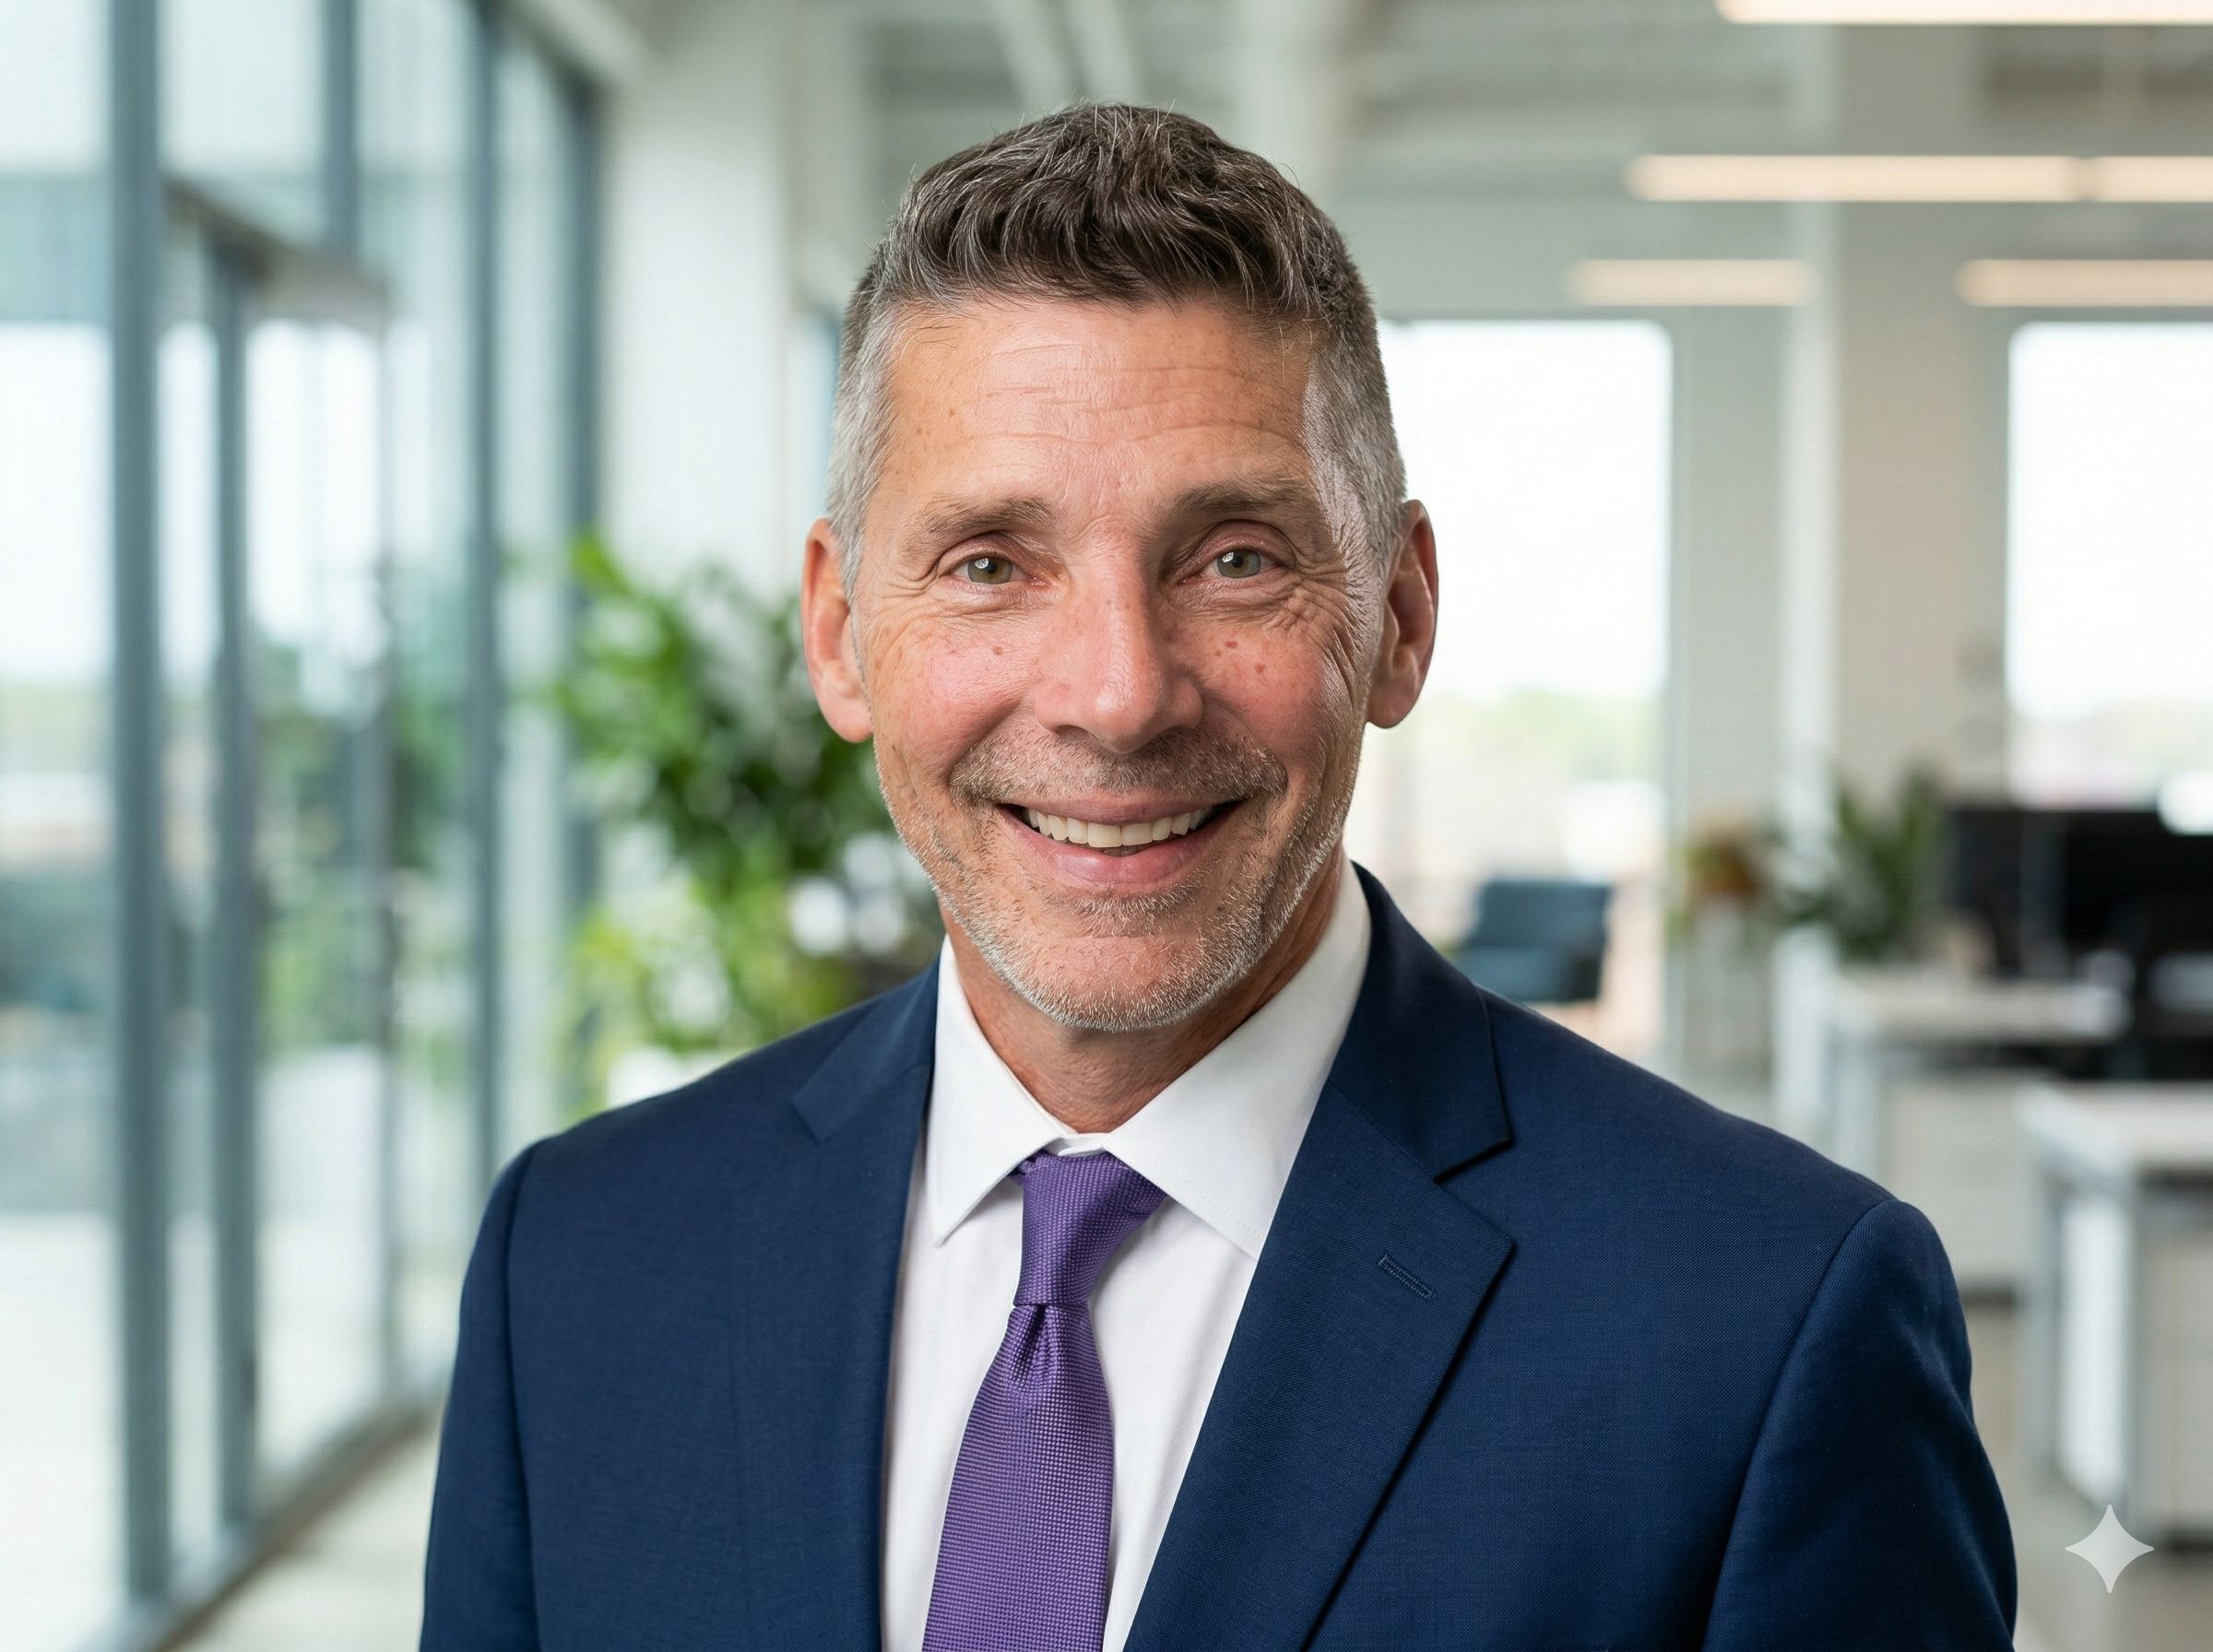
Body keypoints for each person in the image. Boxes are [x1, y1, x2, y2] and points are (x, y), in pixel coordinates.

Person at [420, 105, 2015, 1652]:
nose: (1119, 696)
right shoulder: (580, 1263)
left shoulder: (1764, 1325)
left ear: (1398, 619)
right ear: (840, 635)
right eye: (991, 564)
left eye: (1235, 558)